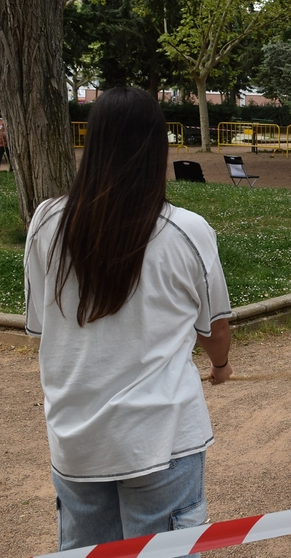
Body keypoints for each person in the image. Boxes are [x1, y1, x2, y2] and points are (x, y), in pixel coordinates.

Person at [23, 87, 233, 551]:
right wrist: (221, 367)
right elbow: (214, 332)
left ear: (91, 142)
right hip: (163, 439)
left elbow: (40, 330)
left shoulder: (45, 223)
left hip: (76, 438)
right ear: (159, 149)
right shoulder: (188, 231)